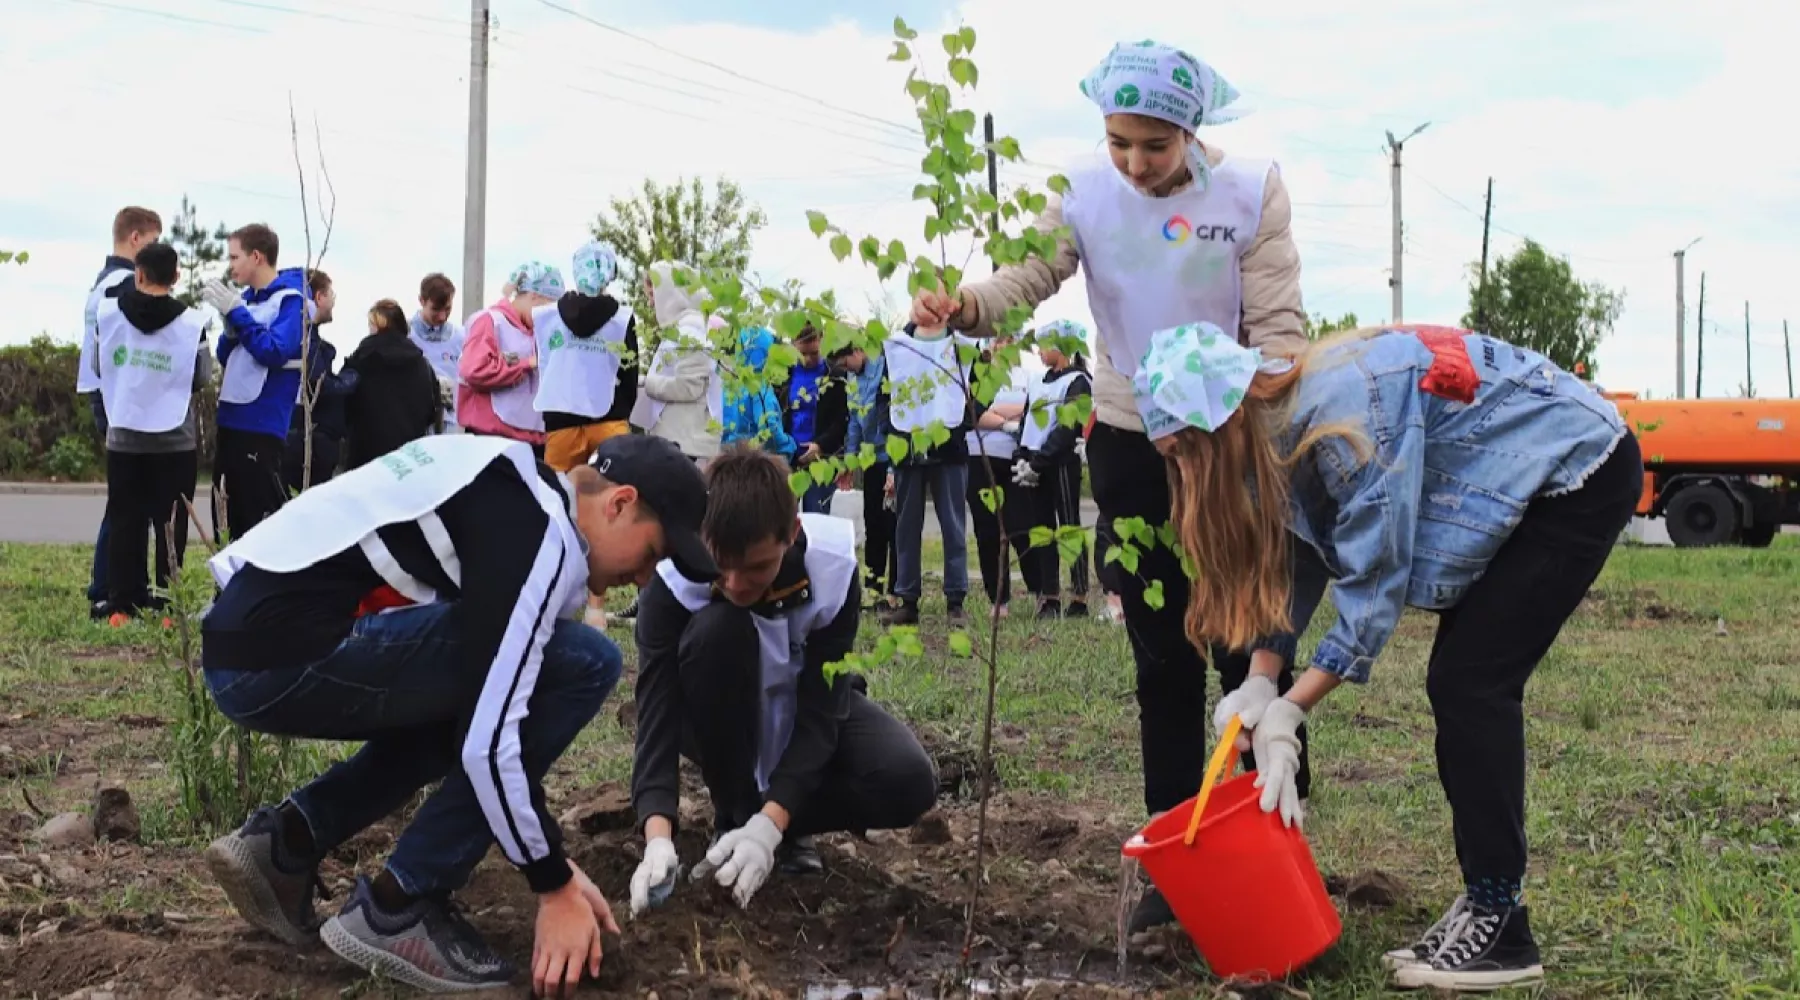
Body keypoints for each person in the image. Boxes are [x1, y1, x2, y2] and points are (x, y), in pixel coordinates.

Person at [908, 41, 1308, 929]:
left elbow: (1281, 327)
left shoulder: (1249, 193)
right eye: (1119, 141)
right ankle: (1179, 856)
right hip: (1131, 442)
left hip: (1234, 446)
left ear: (1190, 131)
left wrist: (1253, 420)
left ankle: (1279, 845)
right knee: (1162, 657)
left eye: (1153, 146)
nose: (1134, 163)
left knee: (1251, 650)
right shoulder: (1082, 191)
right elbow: (1028, 278)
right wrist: (965, 306)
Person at [1139, 321, 1638, 991]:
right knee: (1462, 683)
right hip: (1534, 473)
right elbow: (1303, 551)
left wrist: (1291, 708)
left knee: (1470, 684)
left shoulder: (1346, 419)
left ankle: (1503, 925)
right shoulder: (1273, 423)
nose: (1179, 470)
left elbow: (1375, 580)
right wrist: (1262, 678)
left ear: (1217, 421)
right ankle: (1489, 903)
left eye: (1180, 453)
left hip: (1577, 471)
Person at [199, 433, 715, 995]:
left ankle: (285, 846)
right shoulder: (541, 532)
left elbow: (478, 699)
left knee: (490, 685)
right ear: (620, 504)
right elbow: (490, 744)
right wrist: (554, 883)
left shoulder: (510, 480)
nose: (644, 579)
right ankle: (400, 906)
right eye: (652, 554)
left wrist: (555, 863)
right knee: (583, 662)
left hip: (246, 646)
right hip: (287, 650)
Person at [627, 444, 937, 914]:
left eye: (754, 567)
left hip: (799, 701)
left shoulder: (831, 568)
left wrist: (770, 826)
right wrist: (658, 838)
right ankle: (732, 813)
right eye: (720, 565)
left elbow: (821, 709)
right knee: (719, 629)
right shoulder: (672, 579)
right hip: (716, 708)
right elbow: (656, 715)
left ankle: (773, 824)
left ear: (791, 532)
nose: (733, 584)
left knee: (908, 779)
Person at [91, 242, 211, 623]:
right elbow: (202, 376)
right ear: (176, 277)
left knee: (126, 517)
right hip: (174, 439)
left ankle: (122, 604)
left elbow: (99, 364)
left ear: (138, 274)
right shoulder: (193, 324)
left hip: (124, 434)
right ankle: (166, 604)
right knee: (170, 521)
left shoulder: (108, 315)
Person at [79, 206, 163, 617]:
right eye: (153, 241)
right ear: (136, 239)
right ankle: (106, 584)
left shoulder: (104, 281)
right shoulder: (122, 284)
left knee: (128, 497)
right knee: (127, 499)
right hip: (117, 399)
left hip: (108, 396)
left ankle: (120, 582)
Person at [200, 223, 308, 542]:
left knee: (256, 521)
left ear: (257, 257)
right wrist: (231, 327)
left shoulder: (291, 301)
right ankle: (228, 589)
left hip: (261, 425)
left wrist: (240, 316)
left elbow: (274, 351)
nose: (229, 265)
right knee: (225, 515)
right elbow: (227, 356)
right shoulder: (245, 298)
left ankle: (259, 590)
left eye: (235, 257)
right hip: (231, 419)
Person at [1014, 321, 1095, 619]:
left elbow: (1067, 426)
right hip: (1034, 464)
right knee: (1042, 530)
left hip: (1059, 463)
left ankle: (1079, 595)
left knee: (1069, 526)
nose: (1039, 351)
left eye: (1045, 344)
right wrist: (1021, 457)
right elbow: (1026, 419)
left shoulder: (1079, 381)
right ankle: (1049, 595)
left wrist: (1040, 460)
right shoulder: (1037, 381)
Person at [536, 242, 639, 472]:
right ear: (609, 274)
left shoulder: (548, 317)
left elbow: (544, 365)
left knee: (559, 494)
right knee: (613, 490)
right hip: (609, 420)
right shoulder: (622, 319)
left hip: (560, 422)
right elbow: (630, 371)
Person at [959, 337, 1034, 618]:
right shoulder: (978, 376)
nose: (1005, 345)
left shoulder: (1028, 377)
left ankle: (1039, 591)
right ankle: (998, 600)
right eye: (999, 340)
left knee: (1021, 526)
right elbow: (972, 413)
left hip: (1015, 459)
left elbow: (1030, 411)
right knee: (987, 530)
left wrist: (996, 413)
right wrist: (1006, 421)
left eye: (1010, 339)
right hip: (979, 456)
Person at [459, 262, 561, 452]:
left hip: (535, 442)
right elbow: (474, 370)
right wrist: (526, 364)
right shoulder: (490, 321)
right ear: (534, 297)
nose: (550, 317)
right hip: (493, 442)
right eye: (547, 308)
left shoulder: (542, 332)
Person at [628, 261, 721, 464]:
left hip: (686, 445)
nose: (651, 304)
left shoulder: (691, 331)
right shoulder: (683, 330)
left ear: (670, 294)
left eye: (654, 296)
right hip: (681, 441)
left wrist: (645, 383)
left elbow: (689, 387)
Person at [830, 342, 897, 605]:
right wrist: (849, 461)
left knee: (894, 529)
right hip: (870, 462)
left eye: (847, 363)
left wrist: (893, 470)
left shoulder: (885, 370)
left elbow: (895, 422)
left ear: (857, 351)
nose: (847, 370)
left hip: (892, 458)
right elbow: (855, 422)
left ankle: (895, 591)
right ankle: (873, 588)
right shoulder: (852, 379)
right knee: (874, 526)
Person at [341, 300, 443, 470]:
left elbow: (344, 403)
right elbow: (432, 410)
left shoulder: (361, 360)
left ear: (376, 327)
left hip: (365, 459)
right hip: (408, 459)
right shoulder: (421, 364)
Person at [281, 269, 356, 493]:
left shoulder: (302, 335)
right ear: (319, 297)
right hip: (305, 440)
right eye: (331, 295)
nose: (333, 302)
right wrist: (350, 379)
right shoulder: (306, 337)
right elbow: (317, 382)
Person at [782, 324, 849, 514]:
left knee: (817, 518)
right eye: (803, 353)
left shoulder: (835, 377)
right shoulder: (783, 375)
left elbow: (841, 420)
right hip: (788, 456)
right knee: (784, 519)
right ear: (794, 345)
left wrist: (820, 445)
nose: (808, 359)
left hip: (821, 459)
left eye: (814, 352)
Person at [722, 325, 798, 461]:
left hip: (726, 459)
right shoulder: (759, 387)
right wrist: (788, 445)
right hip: (753, 462)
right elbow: (768, 429)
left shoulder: (728, 385)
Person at [409, 273, 465, 434]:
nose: (442, 316)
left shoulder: (461, 336)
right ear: (422, 301)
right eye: (435, 309)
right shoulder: (405, 335)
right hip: (415, 423)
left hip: (451, 424)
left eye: (447, 309)